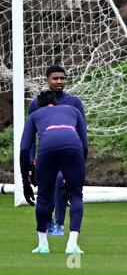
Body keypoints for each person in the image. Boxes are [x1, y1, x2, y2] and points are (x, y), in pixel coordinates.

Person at [20, 90, 88, 254]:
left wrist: (25, 180)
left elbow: (24, 148)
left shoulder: (35, 115)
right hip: (73, 146)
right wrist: (78, 169)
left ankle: (43, 244)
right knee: (76, 195)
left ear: (40, 106)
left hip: (47, 146)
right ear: (56, 104)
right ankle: (72, 244)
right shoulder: (73, 110)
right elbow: (84, 144)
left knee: (43, 196)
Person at [28, 65, 86, 236]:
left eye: (62, 78)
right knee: (47, 188)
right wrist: (31, 161)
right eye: (55, 78)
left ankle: (59, 224)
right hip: (47, 153)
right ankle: (48, 221)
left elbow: (82, 133)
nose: (59, 81)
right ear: (47, 80)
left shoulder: (74, 102)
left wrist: (82, 160)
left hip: (70, 153)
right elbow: (30, 136)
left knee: (62, 182)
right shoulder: (37, 103)